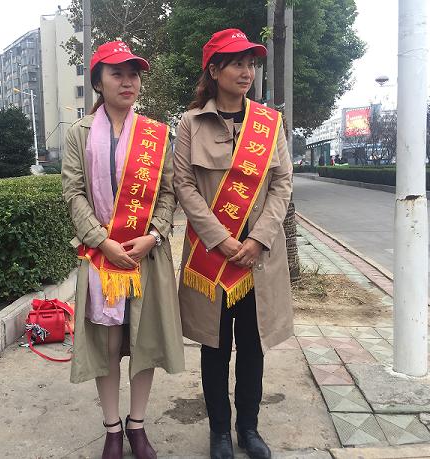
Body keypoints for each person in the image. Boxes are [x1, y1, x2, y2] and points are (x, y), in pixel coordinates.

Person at [173, 29, 294, 459]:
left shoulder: (269, 123)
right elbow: (183, 184)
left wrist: (258, 239)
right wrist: (220, 239)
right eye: (237, 63)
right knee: (215, 346)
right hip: (213, 256)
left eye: (251, 63)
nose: (247, 72)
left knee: (253, 346)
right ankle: (220, 432)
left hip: (258, 259)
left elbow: (282, 183)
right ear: (214, 70)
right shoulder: (190, 124)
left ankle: (249, 428)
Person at [62, 41, 185, 459]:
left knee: (144, 343)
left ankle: (137, 425)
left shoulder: (155, 134)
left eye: (134, 74)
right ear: (98, 81)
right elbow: (74, 192)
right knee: (109, 346)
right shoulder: (79, 134)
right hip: (102, 258)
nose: (128, 81)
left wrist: (155, 234)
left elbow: (168, 192)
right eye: (117, 73)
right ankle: (112, 429)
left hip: (145, 256)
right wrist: (101, 240)